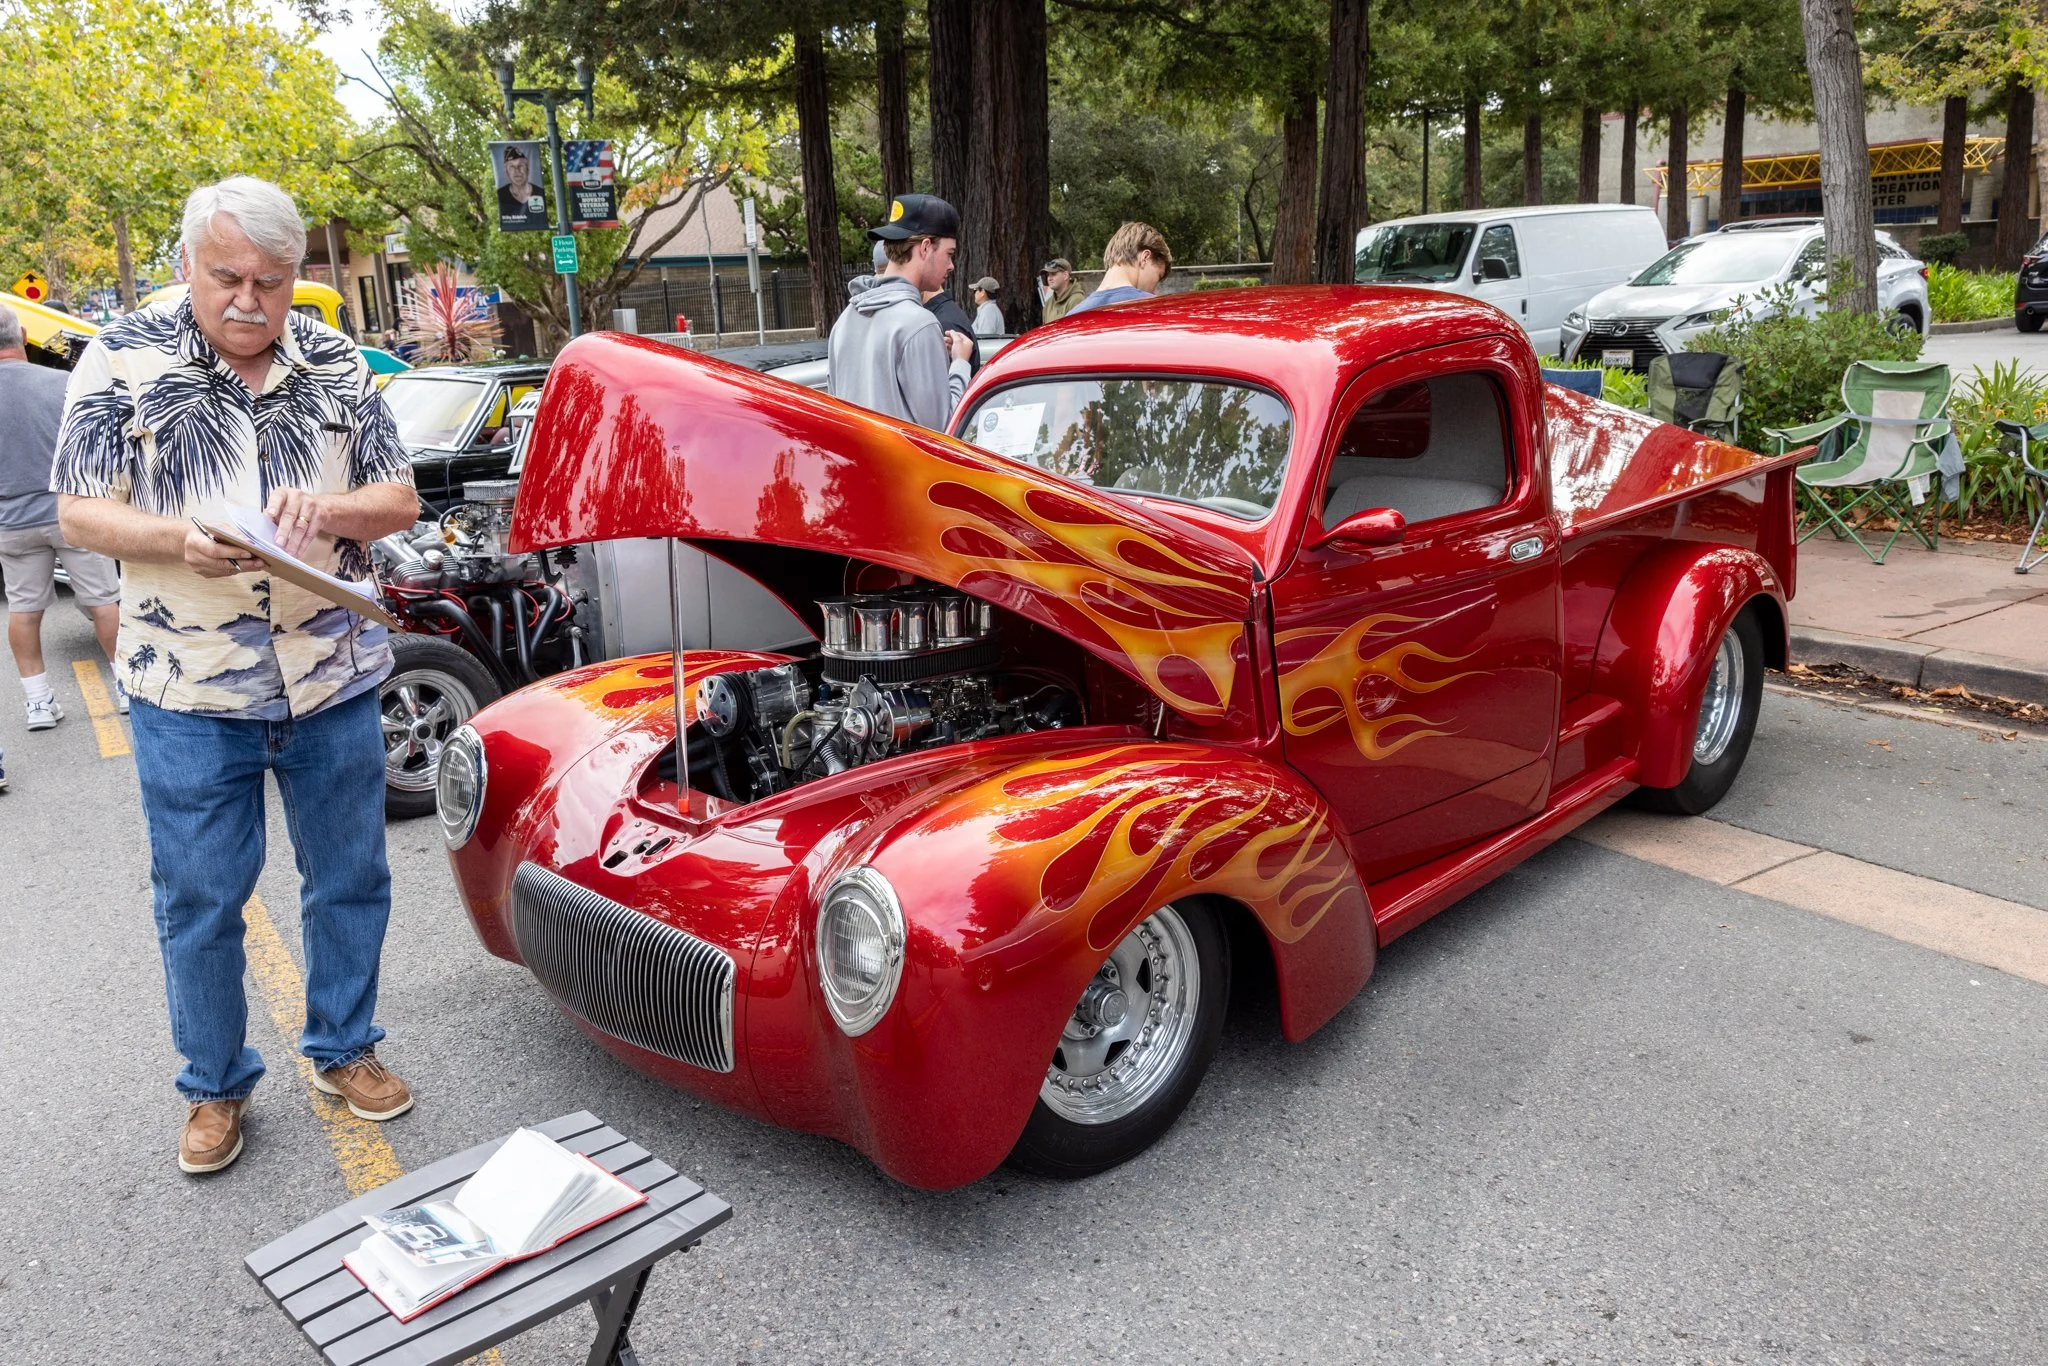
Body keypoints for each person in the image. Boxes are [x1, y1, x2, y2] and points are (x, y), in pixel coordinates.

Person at [53, 175, 422, 1176]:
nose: (250, 300)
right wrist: (178, 538)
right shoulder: (121, 355)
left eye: (271, 279)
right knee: (202, 899)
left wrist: (329, 515)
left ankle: (344, 1048)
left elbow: (398, 497)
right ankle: (213, 1085)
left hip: (331, 677)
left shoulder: (337, 359)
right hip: (188, 687)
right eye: (228, 278)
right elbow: (81, 513)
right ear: (188, 265)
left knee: (349, 878)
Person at [0, 303, 125, 736]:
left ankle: (38, 703)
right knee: (102, 599)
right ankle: (125, 686)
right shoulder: (63, 384)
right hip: (70, 513)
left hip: (10, 523)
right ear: (22, 335)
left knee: (24, 610)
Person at [828, 193, 975, 431]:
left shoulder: (845, 320)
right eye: (949, 254)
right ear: (926, 247)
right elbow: (943, 430)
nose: (951, 265)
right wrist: (960, 363)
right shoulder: (920, 324)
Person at [1066, 222, 1174, 315]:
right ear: (1145, 258)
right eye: (1158, 276)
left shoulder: (1072, 317)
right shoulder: (1155, 310)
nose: (1155, 290)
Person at [497, 145, 546, 228]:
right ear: (507, 172)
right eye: (512, 167)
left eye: (521, 165)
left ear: (527, 168)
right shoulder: (501, 194)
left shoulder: (540, 192)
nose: (517, 171)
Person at [1039, 257, 1085, 323]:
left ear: (1065, 275)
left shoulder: (1076, 300)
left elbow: (1076, 330)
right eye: (1048, 275)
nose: (1049, 278)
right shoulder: (1048, 304)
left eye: (1053, 274)